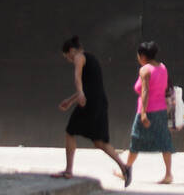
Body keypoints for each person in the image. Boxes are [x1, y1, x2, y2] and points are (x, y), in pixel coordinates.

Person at [55, 35, 131, 185]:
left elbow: (78, 79)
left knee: (70, 131)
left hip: (90, 102)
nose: (69, 59)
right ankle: (125, 167)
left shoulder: (79, 57)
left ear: (71, 50)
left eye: (67, 56)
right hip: (100, 102)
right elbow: (90, 86)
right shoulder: (92, 58)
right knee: (99, 141)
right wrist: (71, 101)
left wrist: (81, 94)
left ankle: (69, 170)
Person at [123, 40, 174, 184]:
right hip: (161, 110)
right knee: (165, 141)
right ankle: (168, 174)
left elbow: (144, 91)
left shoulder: (145, 70)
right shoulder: (163, 68)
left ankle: (126, 169)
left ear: (143, 56)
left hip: (146, 110)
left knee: (136, 140)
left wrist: (144, 113)